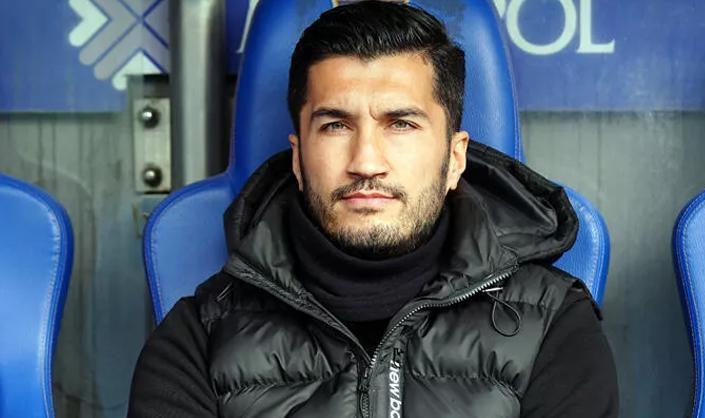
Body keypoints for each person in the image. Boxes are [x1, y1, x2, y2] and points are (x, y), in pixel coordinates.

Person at [127, 1, 618, 417]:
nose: (366, 162)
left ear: (455, 159)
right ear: (298, 159)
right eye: (335, 126)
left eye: (401, 124)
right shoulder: (198, 339)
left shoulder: (552, 327)